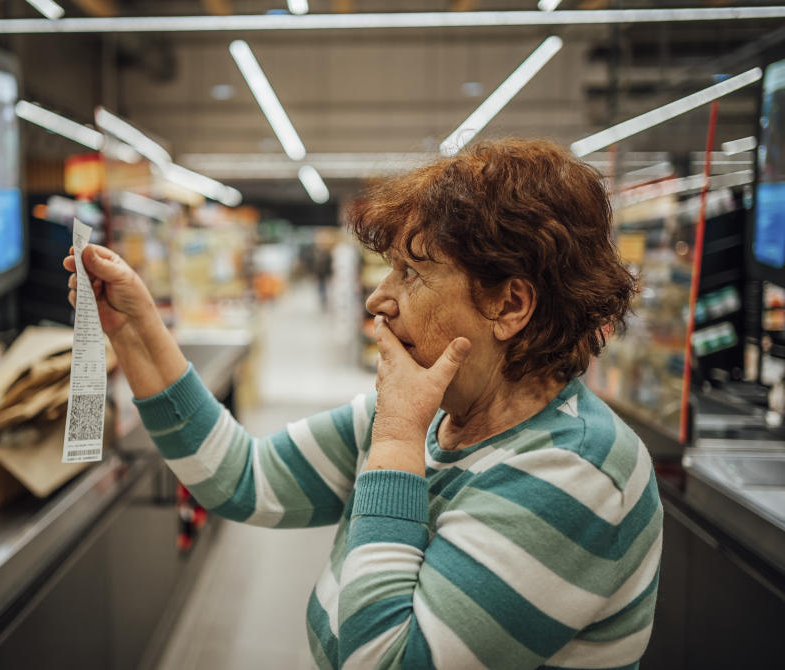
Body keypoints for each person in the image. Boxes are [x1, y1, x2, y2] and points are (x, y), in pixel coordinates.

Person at [64, 138, 662, 670]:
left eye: (411, 272)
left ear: (509, 305)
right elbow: (243, 479)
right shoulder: (434, 415)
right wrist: (135, 328)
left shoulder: (574, 477)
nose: (378, 299)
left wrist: (397, 440)